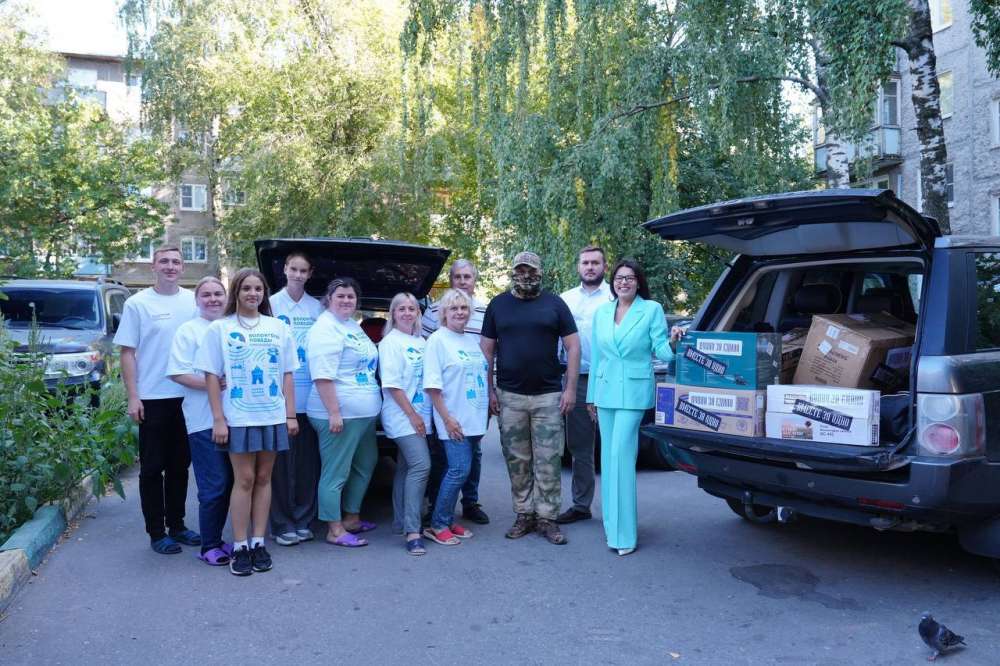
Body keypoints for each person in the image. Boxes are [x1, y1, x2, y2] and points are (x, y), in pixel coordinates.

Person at [196, 268, 300, 576]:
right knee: (244, 480)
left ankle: (258, 542)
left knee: (264, 478)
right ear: (236, 293)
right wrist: (218, 419)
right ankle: (239, 545)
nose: (253, 294)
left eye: (258, 289)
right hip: (238, 416)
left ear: (264, 294)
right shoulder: (220, 329)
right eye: (246, 289)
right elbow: (211, 375)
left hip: (272, 414)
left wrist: (290, 414)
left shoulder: (278, 327)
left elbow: (287, 373)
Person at [480, 251, 580, 545]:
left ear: (540, 272)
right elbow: (486, 351)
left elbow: (573, 347)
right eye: (521, 270)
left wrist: (570, 388)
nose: (526, 276)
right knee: (517, 460)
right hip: (509, 395)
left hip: (548, 396)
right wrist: (489, 390)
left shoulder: (555, 303)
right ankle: (524, 514)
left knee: (549, 460)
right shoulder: (498, 305)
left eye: (531, 271)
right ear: (513, 272)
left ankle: (547, 518)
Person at [586, 259, 682, 556]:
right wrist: (591, 396)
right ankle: (611, 527)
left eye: (629, 278)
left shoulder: (650, 310)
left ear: (638, 282)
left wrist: (674, 344)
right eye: (619, 278)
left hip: (634, 391)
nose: (623, 282)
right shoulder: (601, 312)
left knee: (620, 456)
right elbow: (597, 358)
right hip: (605, 392)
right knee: (607, 461)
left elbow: (661, 350)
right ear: (612, 282)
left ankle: (625, 535)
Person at [113, 245, 200, 555]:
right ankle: (156, 532)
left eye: (176, 261)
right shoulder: (138, 304)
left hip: (188, 396)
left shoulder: (193, 300)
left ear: (183, 266)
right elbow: (127, 352)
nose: (170, 266)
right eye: (164, 261)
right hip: (152, 398)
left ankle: (177, 525)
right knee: (152, 468)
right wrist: (133, 396)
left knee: (180, 466)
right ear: (154, 266)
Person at [306, 277, 381, 548]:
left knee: (365, 464)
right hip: (338, 415)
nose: (347, 300)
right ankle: (334, 529)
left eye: (351, 296)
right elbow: (322, 376)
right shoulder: (325, 328)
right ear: (329, 299)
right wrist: (334, 412)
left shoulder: (351, 326)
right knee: (336, 472)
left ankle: (351, 517)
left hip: (363, 414)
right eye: (341, 296)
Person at [167, 276, 234, 566]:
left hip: (238, 418)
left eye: (218, 294)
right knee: (214, 483)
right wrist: (212, 383)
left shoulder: (232, 326)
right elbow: (177, 373)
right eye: (206, 295)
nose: (213, 299)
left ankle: (218, 539)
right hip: (204, 420)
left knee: (232, 481)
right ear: (197, 300)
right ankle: (209, 545)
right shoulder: (189, 331)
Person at [421, 258, 490, 525]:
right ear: (444, 312)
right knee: (456, 467)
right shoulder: (438, 337)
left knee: (467, 464)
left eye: (464, 308)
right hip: (452, 413)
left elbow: (486, 363)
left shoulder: (474, 329)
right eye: (455, 308)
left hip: (472, 412)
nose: (460, 312)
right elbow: (432, 381)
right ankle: (438, 520)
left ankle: (453, 514)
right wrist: (447, 418)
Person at [268, 252, 324, 546]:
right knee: (279, 468)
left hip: (311, 398)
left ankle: (303, 520)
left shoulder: (317, 308)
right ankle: (281, 523)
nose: (298, 274)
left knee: (306, 466)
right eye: (294, 269)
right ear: (285, 270)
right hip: (279, 400)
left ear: (310, 273)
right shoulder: (272, 305)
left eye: (304, 270)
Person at [557, 245, 612, 524]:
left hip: (610, 379)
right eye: (585, 263)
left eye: (595, 263)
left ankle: (618, 507)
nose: (590, 267)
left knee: (616, 445)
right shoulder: (565, 299)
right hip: (576, 379)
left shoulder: (616, 297)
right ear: (578, 267)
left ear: (605, 266)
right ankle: (581, 505)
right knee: (581, 446)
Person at [380, 293, 433, 555]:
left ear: (418, 314)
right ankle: (413, 531)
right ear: (393, 314)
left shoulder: (421, 341)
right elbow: (392, 385)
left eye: (412, 308)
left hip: (422, 415)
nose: (407, 312)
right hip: (403, 417)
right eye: (401, 308)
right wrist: (413, 415)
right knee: (422, 465)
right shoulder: (390, 342)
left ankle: (400, 521)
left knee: (405, 467)